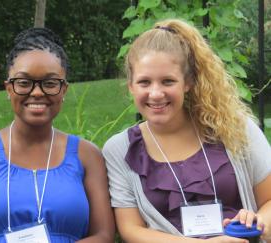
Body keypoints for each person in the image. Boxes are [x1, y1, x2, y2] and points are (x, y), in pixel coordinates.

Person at [102, 18, 271, 243]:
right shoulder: (120, 149)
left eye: (168, 81)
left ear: (188, 82)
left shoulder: (233, 127)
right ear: (131, 86)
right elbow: (131, 229)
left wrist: (258, 220)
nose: (155, 93)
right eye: (144, 82)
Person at [0, 27, 114, 243]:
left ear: (64, 90)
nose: (37, 92)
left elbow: (104, 235)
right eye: (24, 82)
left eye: (50, 83)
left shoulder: (87, 155)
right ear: (8, 89)